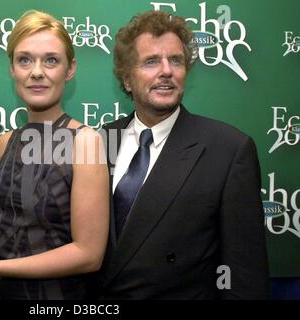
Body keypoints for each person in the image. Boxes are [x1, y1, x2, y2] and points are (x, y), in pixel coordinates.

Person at [98, 10, 269, 299]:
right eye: (151, 61)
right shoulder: (101, 140)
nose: (166, 71)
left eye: (175, 60)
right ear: (127, 80)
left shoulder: (228, 149)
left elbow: (244, 272)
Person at [0, 10, 109, 300]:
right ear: (12, 69)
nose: (37, 72)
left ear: (70, 70)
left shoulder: (85, 142)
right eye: (25, 59)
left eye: (51, 60)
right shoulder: (7, 141)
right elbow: (9, 227)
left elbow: (88, 254)